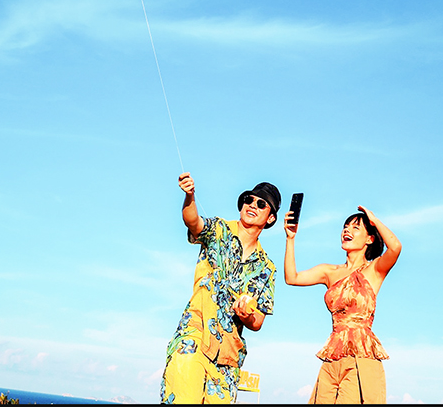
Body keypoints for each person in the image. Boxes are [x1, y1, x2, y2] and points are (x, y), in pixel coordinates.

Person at [161, 171, 280, 404]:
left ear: (271, 218)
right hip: (193, 338)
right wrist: (190, 197)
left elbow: (258, 322)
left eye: (261, 203)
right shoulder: (218, 230)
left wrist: (246, 315)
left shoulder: (267, 267)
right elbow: (193, 222)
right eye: (249, 199)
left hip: (228, 357)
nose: (252, 205)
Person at [284, 204, 402, 404]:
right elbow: (292, 277)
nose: (347, 230)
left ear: (369, 238)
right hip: (332, 357)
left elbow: (396, 247)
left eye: (356, 227)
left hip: (361, 358)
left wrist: (374, 220)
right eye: (345, 226)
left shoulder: (374, 270)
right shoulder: (329, 271)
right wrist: (290, 238)